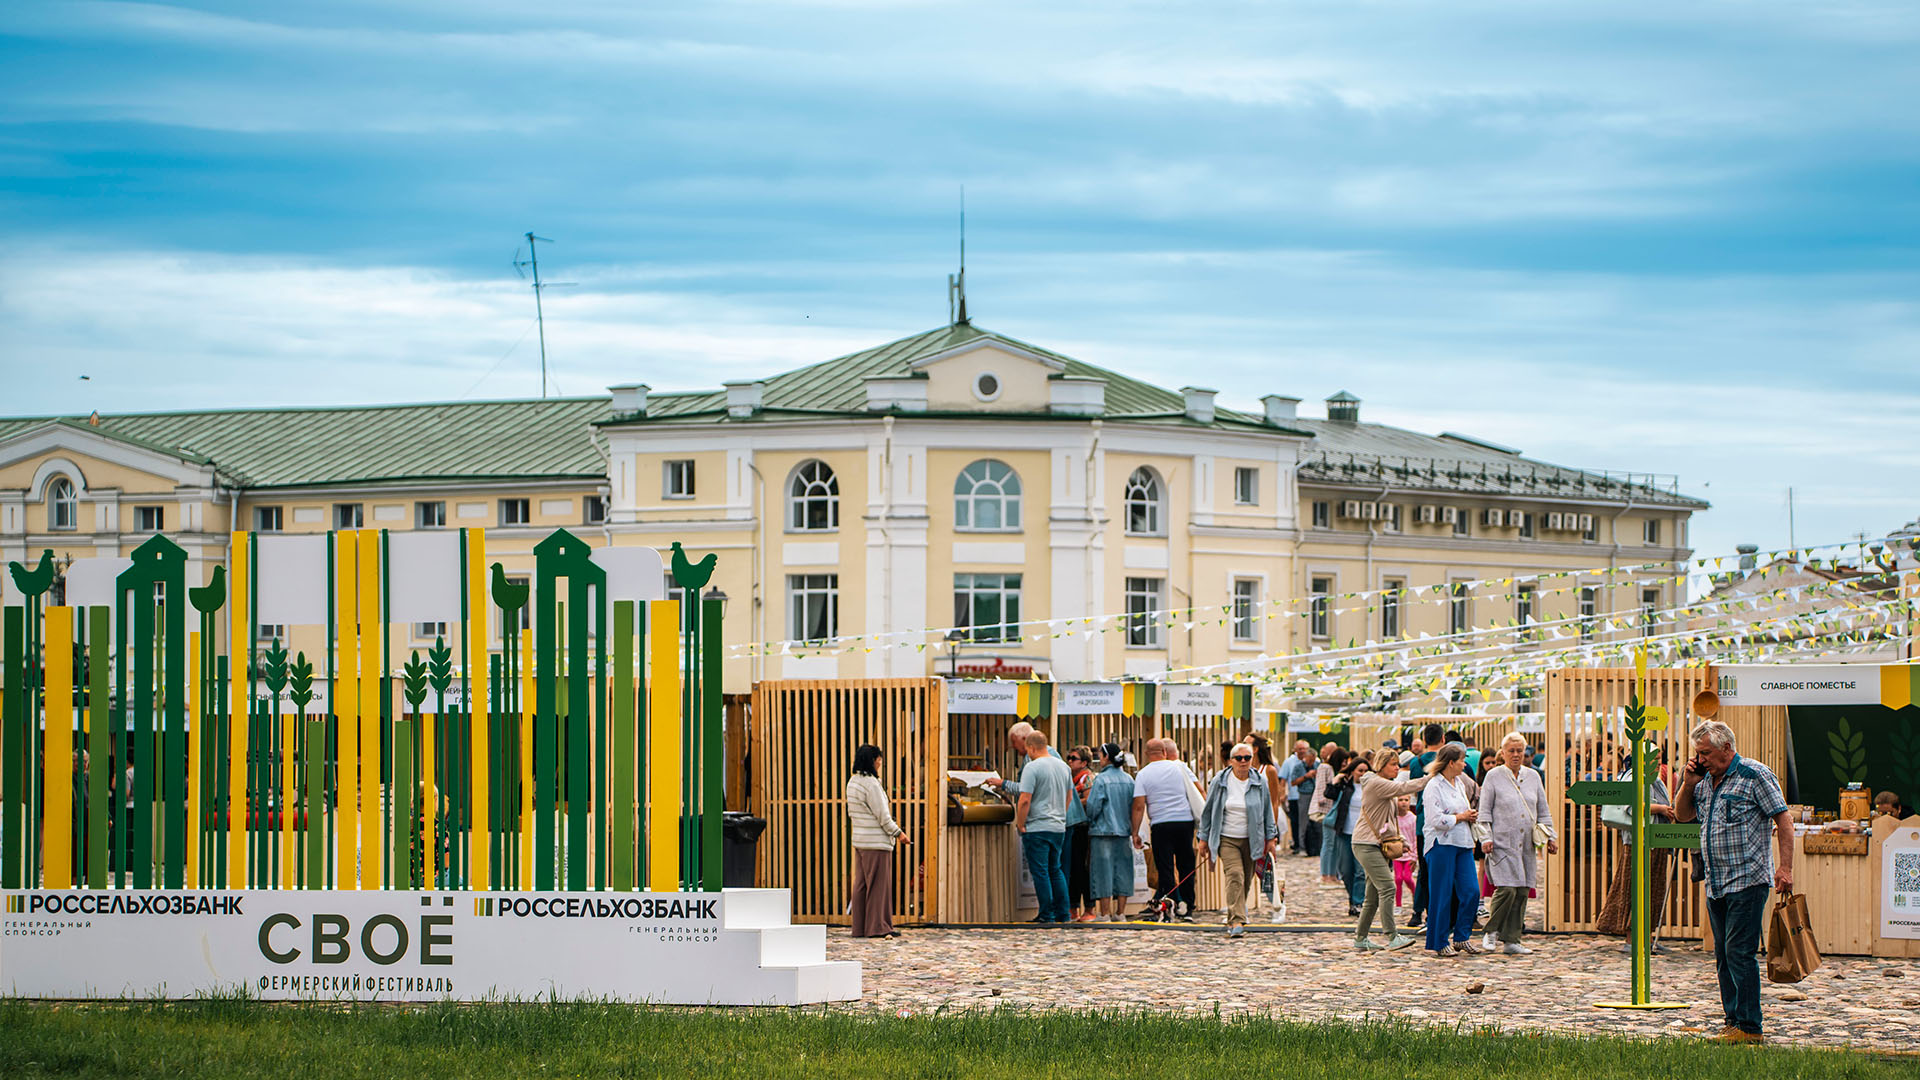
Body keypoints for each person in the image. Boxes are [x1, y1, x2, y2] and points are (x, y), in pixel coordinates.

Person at [1675, 720, 1792, 1044]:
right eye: (1698, 753)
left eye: (1706, 753)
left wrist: (1785, 867)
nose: (1701, 759)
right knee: (1724, 955)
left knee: (1739, 952)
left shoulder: (1755, 775)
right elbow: (1682, 814)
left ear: (1727, 748)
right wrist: (1687, 783)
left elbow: (1783, 817)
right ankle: (1733, 1022)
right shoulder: (1702, 781)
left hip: (1748, 879)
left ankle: (1750, 1027)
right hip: (1716, 881)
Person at [1477, 733, 1556, 955]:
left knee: (1522, 890)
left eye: (1520, 751)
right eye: (1511, 751)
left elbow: (1543, 809)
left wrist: (1550, 836)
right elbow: (1484, 811)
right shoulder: (1493, 776)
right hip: (1502, 842)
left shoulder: (1533, 777)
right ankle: (1491, 931)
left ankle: (1512, 939)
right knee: (1507, 889)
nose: (1516, 755)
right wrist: (1486, 837)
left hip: (1526, 843)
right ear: (1502, 753)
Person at [1198, 742, 1283, 936]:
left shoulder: (1259, 781)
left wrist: (1271, 837)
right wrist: (1203, 837)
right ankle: (1237, 920)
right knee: (1234, 874)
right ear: (1231, 761)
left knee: (1245, 878)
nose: (1243, 762)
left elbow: (1267, 810)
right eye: (1239, 758)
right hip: (1227, 837)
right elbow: (1208, 810)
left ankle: (1236, 914)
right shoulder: (1220, 780)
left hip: (1252, 838)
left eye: (1247, 758)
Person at [1352, 747, 1433, 951]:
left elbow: (1386, 820)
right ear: (1381, 765)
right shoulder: (1378, 783)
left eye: (1398, 764)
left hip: (1373, 843)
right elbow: (1404, 788)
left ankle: (1361, 938)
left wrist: (1400, 841)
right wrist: (1430, 778)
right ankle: (1392, 936)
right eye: (1393, 765)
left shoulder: (1379, 784)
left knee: (1372, 896)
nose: (1397, 768)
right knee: (1388, 886)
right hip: (1366, 843)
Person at [1596, 745, 1675, 951]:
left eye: (1659, 757)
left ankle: (1647, 939)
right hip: (1638, 842)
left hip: (1655, 839)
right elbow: (1631, 806)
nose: (1658, 762)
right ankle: (1632, 940)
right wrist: (1661, 809)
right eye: (1653, 758)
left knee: (1653, 890)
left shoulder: (1654, 778)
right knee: (1636, 888)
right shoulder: (1634, 777)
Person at [1422, 743, 1486, 956]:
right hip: (1441, 844)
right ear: (1451, 762)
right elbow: (1434, 819)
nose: (1464, 763)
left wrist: (1469, 815)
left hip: (1463, 843)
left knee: (1471, 891)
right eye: (1461, 760)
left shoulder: (1459, 783)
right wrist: (1460, 817)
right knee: (1442, 894)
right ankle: (1439, 941)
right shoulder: (1434, 786)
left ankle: (1462, 936)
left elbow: (1461, 811)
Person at [1131, 738, 1203, 921]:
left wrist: (1135, 832)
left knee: (1166, 868)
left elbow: (1139, 806)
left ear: (1147, 754)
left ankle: (1171, 906)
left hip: (1160, 824)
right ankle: (1188, 908)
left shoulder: (1143, 774)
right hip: (1184, 822)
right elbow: (1199, 791)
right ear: (1164, 751)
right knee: (1186, 865)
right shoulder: (1180, 767)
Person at [845, 744, 909, 938]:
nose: (880, 762)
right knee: (878, 885)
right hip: (876, 842)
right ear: (872, 761)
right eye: (878, 759)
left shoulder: (853, 781)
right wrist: (899, 833)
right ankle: (878, 927)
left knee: (861, 885)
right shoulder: (871, 784)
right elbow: (883, 815)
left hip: (860, 840)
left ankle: (860, 927)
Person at [1012, 729, 1074, 924]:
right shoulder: (1064, 767)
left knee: (1041, 872)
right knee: (1056, 870)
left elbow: (1024, 800)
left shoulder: (1032, 767)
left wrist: (1020, 823)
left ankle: (1046, 914)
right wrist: (1060, 817)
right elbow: (1069, 796)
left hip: (1037, 826)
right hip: (1057, 827)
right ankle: (1064, 914)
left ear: (1031, 748)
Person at [1082, 742, 1136, 922]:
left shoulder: (1101, 780)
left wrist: (1090, 819)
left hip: (1102, 831)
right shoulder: (1129, 779)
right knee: (1123, 871)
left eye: (1100, 755)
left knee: (1103, 871)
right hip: (1123, 831)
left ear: (1106, 758)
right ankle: (1120, 912)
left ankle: (1104, 913)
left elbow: (1093, 806)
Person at [1407, 722, 1444, 928]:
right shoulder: (1446, 758)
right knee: (1439, 869)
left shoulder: (1416, 762)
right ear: (1443, 738)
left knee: (1423, 868)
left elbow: (1414, 788)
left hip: (1422, 819)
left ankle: (1417, 911)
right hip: (1442, 820)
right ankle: (1434, 912)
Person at [1323, 754, 1369, 917]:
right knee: (1345, 870)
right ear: (1353, 771)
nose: (1363, 774)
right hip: (1344, 832)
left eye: (1366, 770)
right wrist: (1336, 780)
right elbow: (1328, 794)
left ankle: (1358, 902)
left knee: (1360, 871)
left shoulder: (1371, 788)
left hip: (1363, 835)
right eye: (1360, 770)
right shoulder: (1346, 787)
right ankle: (1352, 898)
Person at [1064, 745, 1096, 922]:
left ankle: (1089, 908)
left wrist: (1072, 800)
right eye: (1068, 757)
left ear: (1084, 762)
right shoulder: (1070, 776)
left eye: (1073, 758)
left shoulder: (1087, 778)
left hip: (1083, 826)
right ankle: (1073, 907)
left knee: (1082, 868)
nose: (1069, 761)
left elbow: (1089, 800)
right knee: (1073, 868)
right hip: (1073, 825)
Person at [1312, 747, 1348, 884]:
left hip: (1333, 811)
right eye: (1343, 760)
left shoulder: (1334, 770)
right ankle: (1325, 874)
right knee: (1328, 844)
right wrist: (1323, 800)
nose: (1345, 763)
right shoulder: (1325, 767)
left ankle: (1332, 875)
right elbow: (1321, 786)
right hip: (1326, 810)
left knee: (1333, 845)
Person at [1278, 740, 1313, 854]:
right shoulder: (1288, 762)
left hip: (1309, 796)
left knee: (1308, 822)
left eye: (1304, 749)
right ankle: (1297, 844)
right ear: (1295, 750)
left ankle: (1308, 844)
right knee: (1295, 821)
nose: (1302, 751)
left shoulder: (1314, 761)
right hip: (1294, 796)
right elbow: (1283, 779)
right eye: (1300, 749)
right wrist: (1282, 794)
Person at [1392, 795, 1418, 905]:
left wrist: (1414, 855)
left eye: (1406, 800)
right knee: (1398, 879)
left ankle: (1415, 895)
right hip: (1397, 854)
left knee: (1407, 878)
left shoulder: (1413, 818)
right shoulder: (1393, 818)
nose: (1403, 802)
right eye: (1400, 800)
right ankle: (1398, 904)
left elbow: (1416, 838)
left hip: (1410, 853)